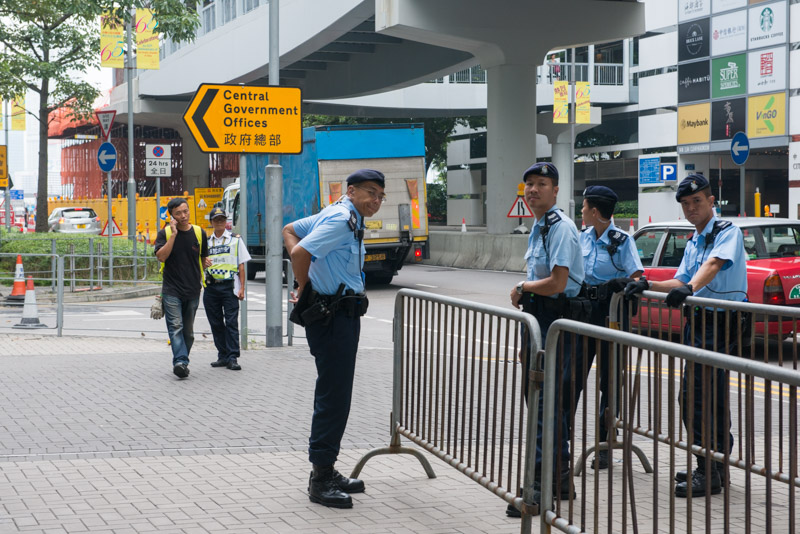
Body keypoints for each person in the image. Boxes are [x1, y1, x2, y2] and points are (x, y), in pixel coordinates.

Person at [625, 174, 746, 498]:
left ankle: (708, 470)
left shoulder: (725, 232)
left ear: (711, 201)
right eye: (686, 204)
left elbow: (713, 266)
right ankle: (712, 464)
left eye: (697, 201)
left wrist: (690, 288)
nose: (691, 208)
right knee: (707, 396)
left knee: (699, 396)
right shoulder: (694, 239)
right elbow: (681, 278)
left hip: (721, 323)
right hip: (700, 322)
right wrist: (647, 284)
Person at [282, 169, 383, 509]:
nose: (376, 200)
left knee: (335, 392)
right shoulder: (341, 219)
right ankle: (321, 477)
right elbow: (299, 252)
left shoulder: (341, 213)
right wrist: (304, 287)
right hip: (333, 318)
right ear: (351, 191)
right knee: (334, 396)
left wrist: (307, 287)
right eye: (370, 192)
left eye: (381, 195)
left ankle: (327, 468)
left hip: (338, 315)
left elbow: (290, 231)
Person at [507, 162, 587, 517]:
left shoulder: (561, 229)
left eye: (541, 184)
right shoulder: (538, 227)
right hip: (540, 319)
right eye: (529, 184)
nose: (533, 190)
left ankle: (538, 489)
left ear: (556, 191)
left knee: (545, 404)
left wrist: (522, 288)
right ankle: (560, 478)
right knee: (540, 400)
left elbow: (557, 282)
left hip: (559, 319)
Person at [578, 186, 643, 470]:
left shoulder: (622, 241)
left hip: (612, 315)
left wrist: (620, 284)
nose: (581, 211)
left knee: (610, 381)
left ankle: (605, 445)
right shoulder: (581, 237)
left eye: (584, 207)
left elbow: (636, 275)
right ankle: (563, 445)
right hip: (583, 313)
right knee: (573, 376)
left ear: (594, 211)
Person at [154, 198, 210, 379]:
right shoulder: (165, 233)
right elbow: (161, 257)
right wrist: (173, 235)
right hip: (171, 289)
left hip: (193, 289)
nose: (183, 216)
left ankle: (182, 361)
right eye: (178, 213)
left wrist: (205, 265)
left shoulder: (199, 233)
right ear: (172, 216)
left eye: (185, 211)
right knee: (175, 327)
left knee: (189, 333)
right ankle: (180, 362)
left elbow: (202, 259)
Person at [204, 203, 251, 371]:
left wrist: (242, 288)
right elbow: (199, 264)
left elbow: (241, 266)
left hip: (229, 287)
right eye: (216, 220)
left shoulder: (235, 241)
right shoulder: (206, 242)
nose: (219, 223)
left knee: (231, 323)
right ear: (211, 222)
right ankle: (222, 355)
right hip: (211, 288)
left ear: (226, 221)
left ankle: (232, 357)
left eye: (222, 219)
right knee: (215, 323)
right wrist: (203, 262)